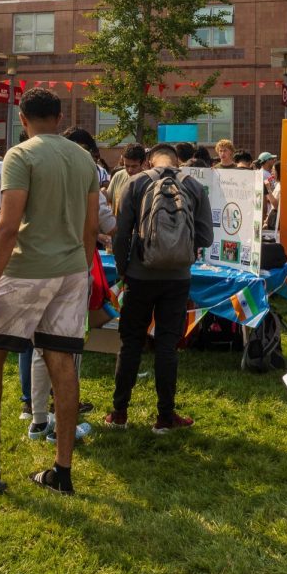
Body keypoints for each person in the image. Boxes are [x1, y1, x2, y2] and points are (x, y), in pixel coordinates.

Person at [0, 87, 99, 496]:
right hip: (72, 270)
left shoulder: (20, 156)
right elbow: (92, 228)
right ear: (59, 116)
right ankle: (62, 470)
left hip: (26, 269)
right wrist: (81, 270)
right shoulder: (84, 158)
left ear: (22, 119)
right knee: (62, 363)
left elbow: (7, 224)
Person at [107, 143, 212, 432]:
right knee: (167, 346)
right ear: (178, 161)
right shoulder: (193, 185)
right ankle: (165, 417)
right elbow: (205, 236)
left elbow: (120, 235)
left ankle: (119, 413)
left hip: (140, 276)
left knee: (131, 342)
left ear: (149, 160)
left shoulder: (136, 183)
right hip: (178, 279)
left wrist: (123, 269)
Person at [106, 143, 145, 213]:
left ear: (143, 163)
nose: (130, 170)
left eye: (134, 166)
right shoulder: (118, 176)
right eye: (126, 166)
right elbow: (108, 198)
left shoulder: (148, 180)